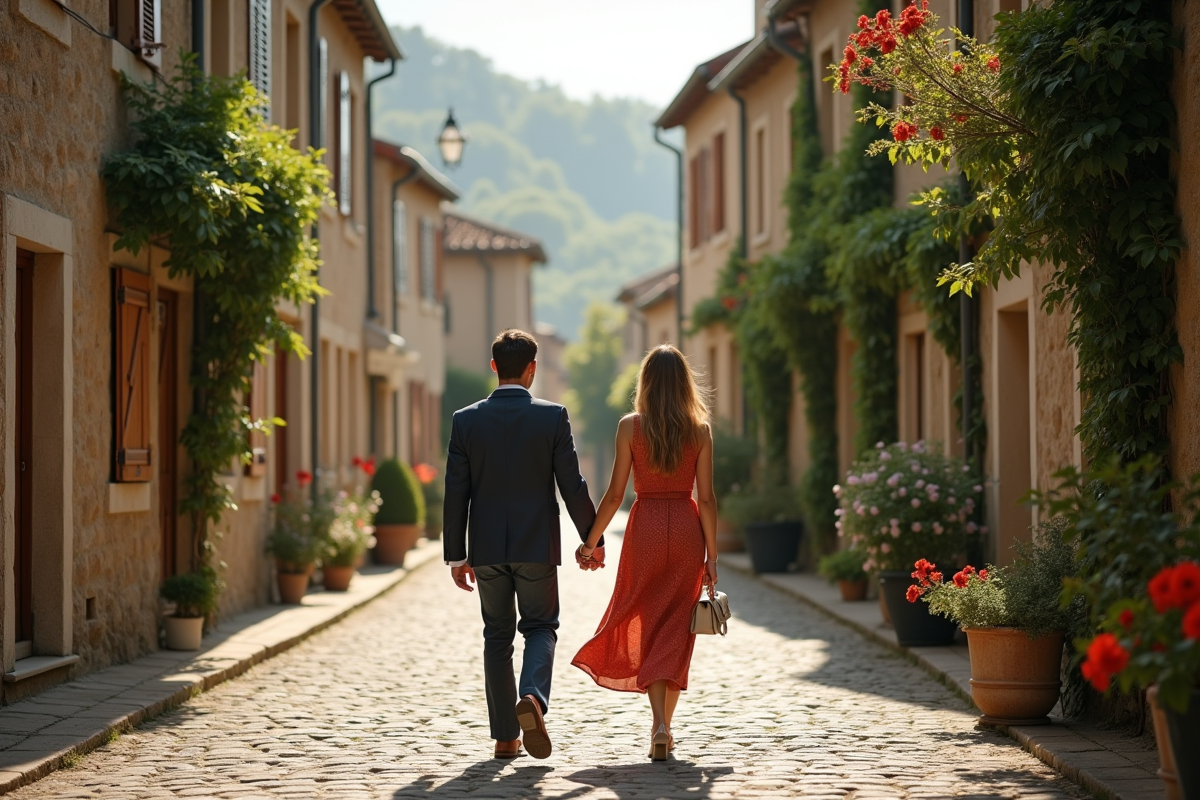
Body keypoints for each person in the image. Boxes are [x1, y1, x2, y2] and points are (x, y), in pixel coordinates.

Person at [442, 329, 602, 761]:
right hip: (536, 547)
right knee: (540, 626)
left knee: (497, 636)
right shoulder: (552, 417)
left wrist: (456, 555)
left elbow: (455, 491)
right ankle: (532, 697)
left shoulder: (465, 420)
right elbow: (573, 484)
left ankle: (505, 738)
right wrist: (592, 541)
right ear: (532, 369)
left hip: (488, 549)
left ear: (494, 367)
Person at [571, 344, 719, 761]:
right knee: (676, 629)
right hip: (687, 529)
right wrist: (713, 556)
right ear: (685, 384)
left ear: (646, 383)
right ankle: (664, 726)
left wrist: (591, 541)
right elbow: (706, 498)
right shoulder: (700, 430)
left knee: (649, 620)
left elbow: (616, 493)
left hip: (646, 526)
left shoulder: (629, 427)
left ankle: (659, 725)